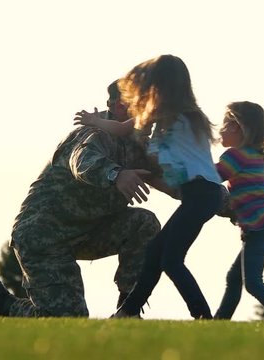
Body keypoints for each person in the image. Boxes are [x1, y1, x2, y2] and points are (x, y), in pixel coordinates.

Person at [0, 80, 169, 317]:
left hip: (89, 231)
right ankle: (1, 304)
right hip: (45, 236)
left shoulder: (139, 146)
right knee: (69, 318)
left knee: (144, 223)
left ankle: (128, 309)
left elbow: (175, 184)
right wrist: (116, 175)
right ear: (119, 107)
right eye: (143, 104)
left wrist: (219, 198)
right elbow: (81, 161)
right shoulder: (95, 134)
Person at [75, 55, 224, 319]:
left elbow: (123, 129)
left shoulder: (167, 114)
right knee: (157, 251)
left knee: (170, 259)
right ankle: (128, 312)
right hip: (203, 195)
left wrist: (95, 122)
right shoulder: (190, 116)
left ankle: (203, 316)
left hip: (200, 194)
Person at [213, 101, 264, 322]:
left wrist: (190, 165)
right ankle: (219, 322)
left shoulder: (236, 156)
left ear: (237, 127)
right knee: (234, 278)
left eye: (224, 124)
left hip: (260, 227)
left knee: (253, 283)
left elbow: (213, 175)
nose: (220, 130)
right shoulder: (251, 154)